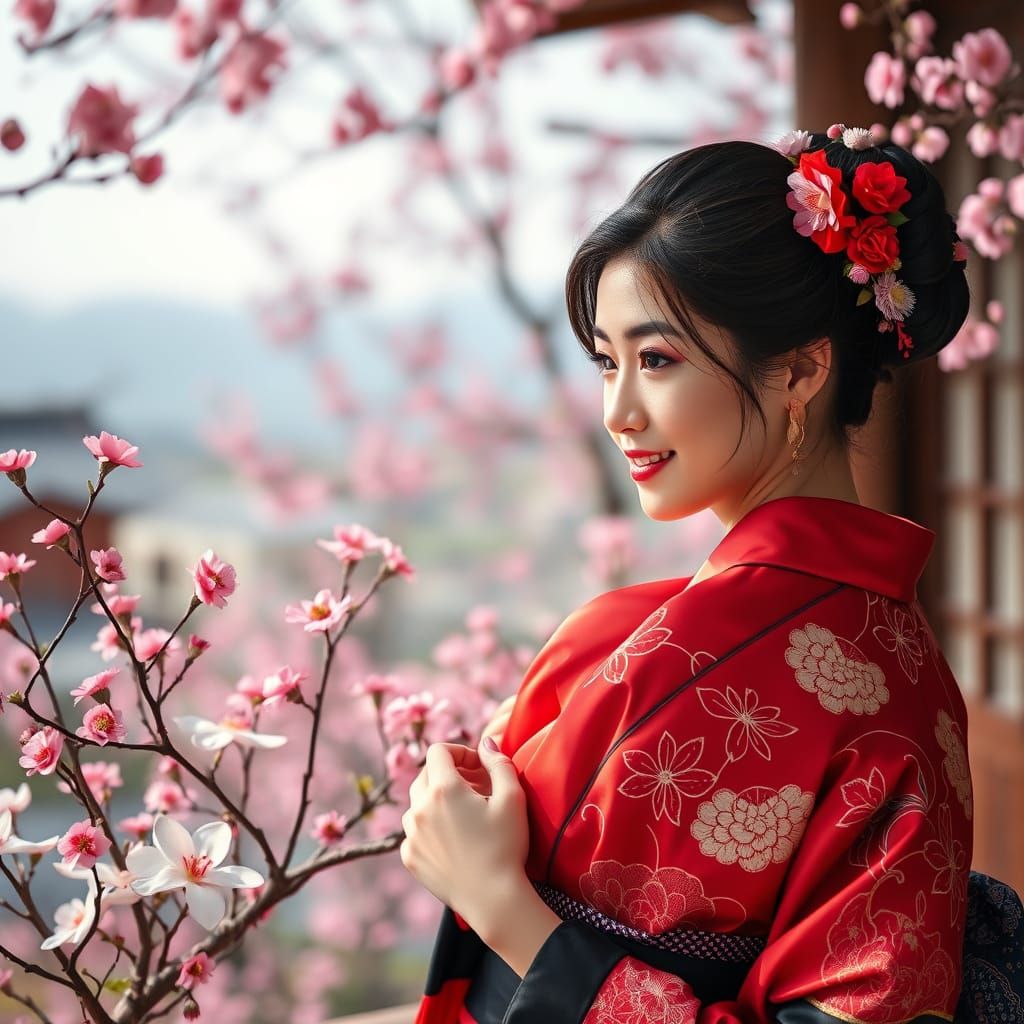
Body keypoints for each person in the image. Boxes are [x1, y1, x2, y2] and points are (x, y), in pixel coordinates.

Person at [400, 127, 983, 1023]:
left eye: (657, 359)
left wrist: (510, 914)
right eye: (607, 361)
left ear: (800, 368)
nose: (618, 411)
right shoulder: (904, 669)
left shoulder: (782, 665)